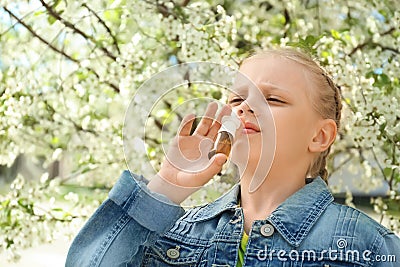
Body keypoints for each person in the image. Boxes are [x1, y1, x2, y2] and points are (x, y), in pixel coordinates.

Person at [66, 48, 400, 266]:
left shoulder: (369, 246)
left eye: (272, 99)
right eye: (236, 97)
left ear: (320, 135)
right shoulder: (175, 235)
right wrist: (166, 187)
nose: (244, 107)